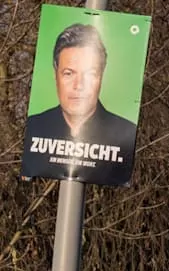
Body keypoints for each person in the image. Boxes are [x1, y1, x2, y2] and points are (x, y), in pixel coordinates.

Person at [23, 23, 139, 186]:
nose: (79, 85)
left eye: (90, 74)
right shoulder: (33, 127)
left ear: (101, 76)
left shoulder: (124, 135)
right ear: (55, 74)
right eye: (69, 73)